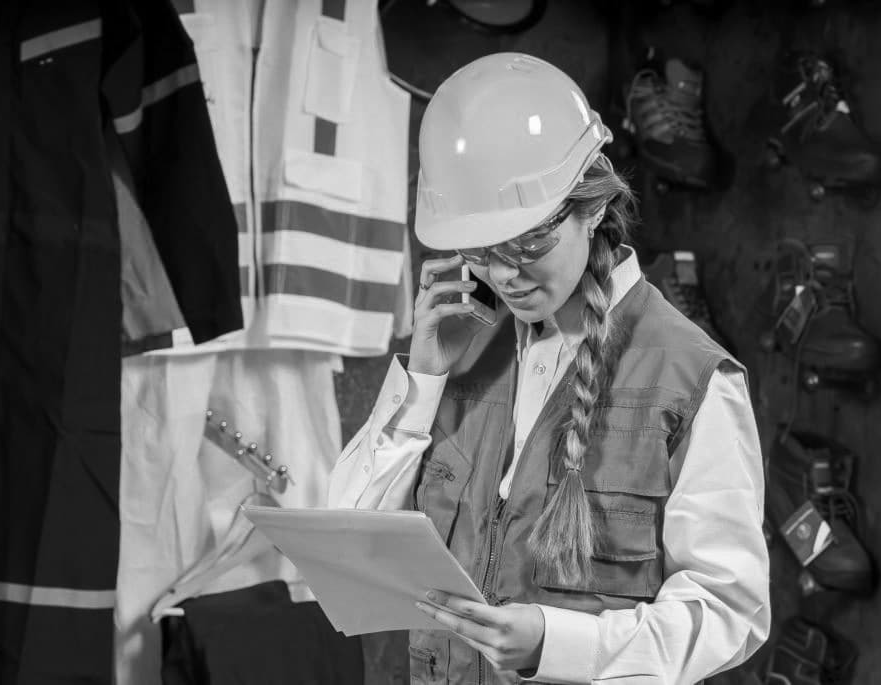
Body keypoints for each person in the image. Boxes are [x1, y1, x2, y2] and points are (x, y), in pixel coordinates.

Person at [328, 53, 770, 685]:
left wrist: (555, 644)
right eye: (480, 251)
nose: (503, 275)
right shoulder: (462, 349)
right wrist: (422, 381)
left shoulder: (691, 377)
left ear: (592, 208)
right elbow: (349, 549)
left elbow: (729, 612)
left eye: (528, 242)